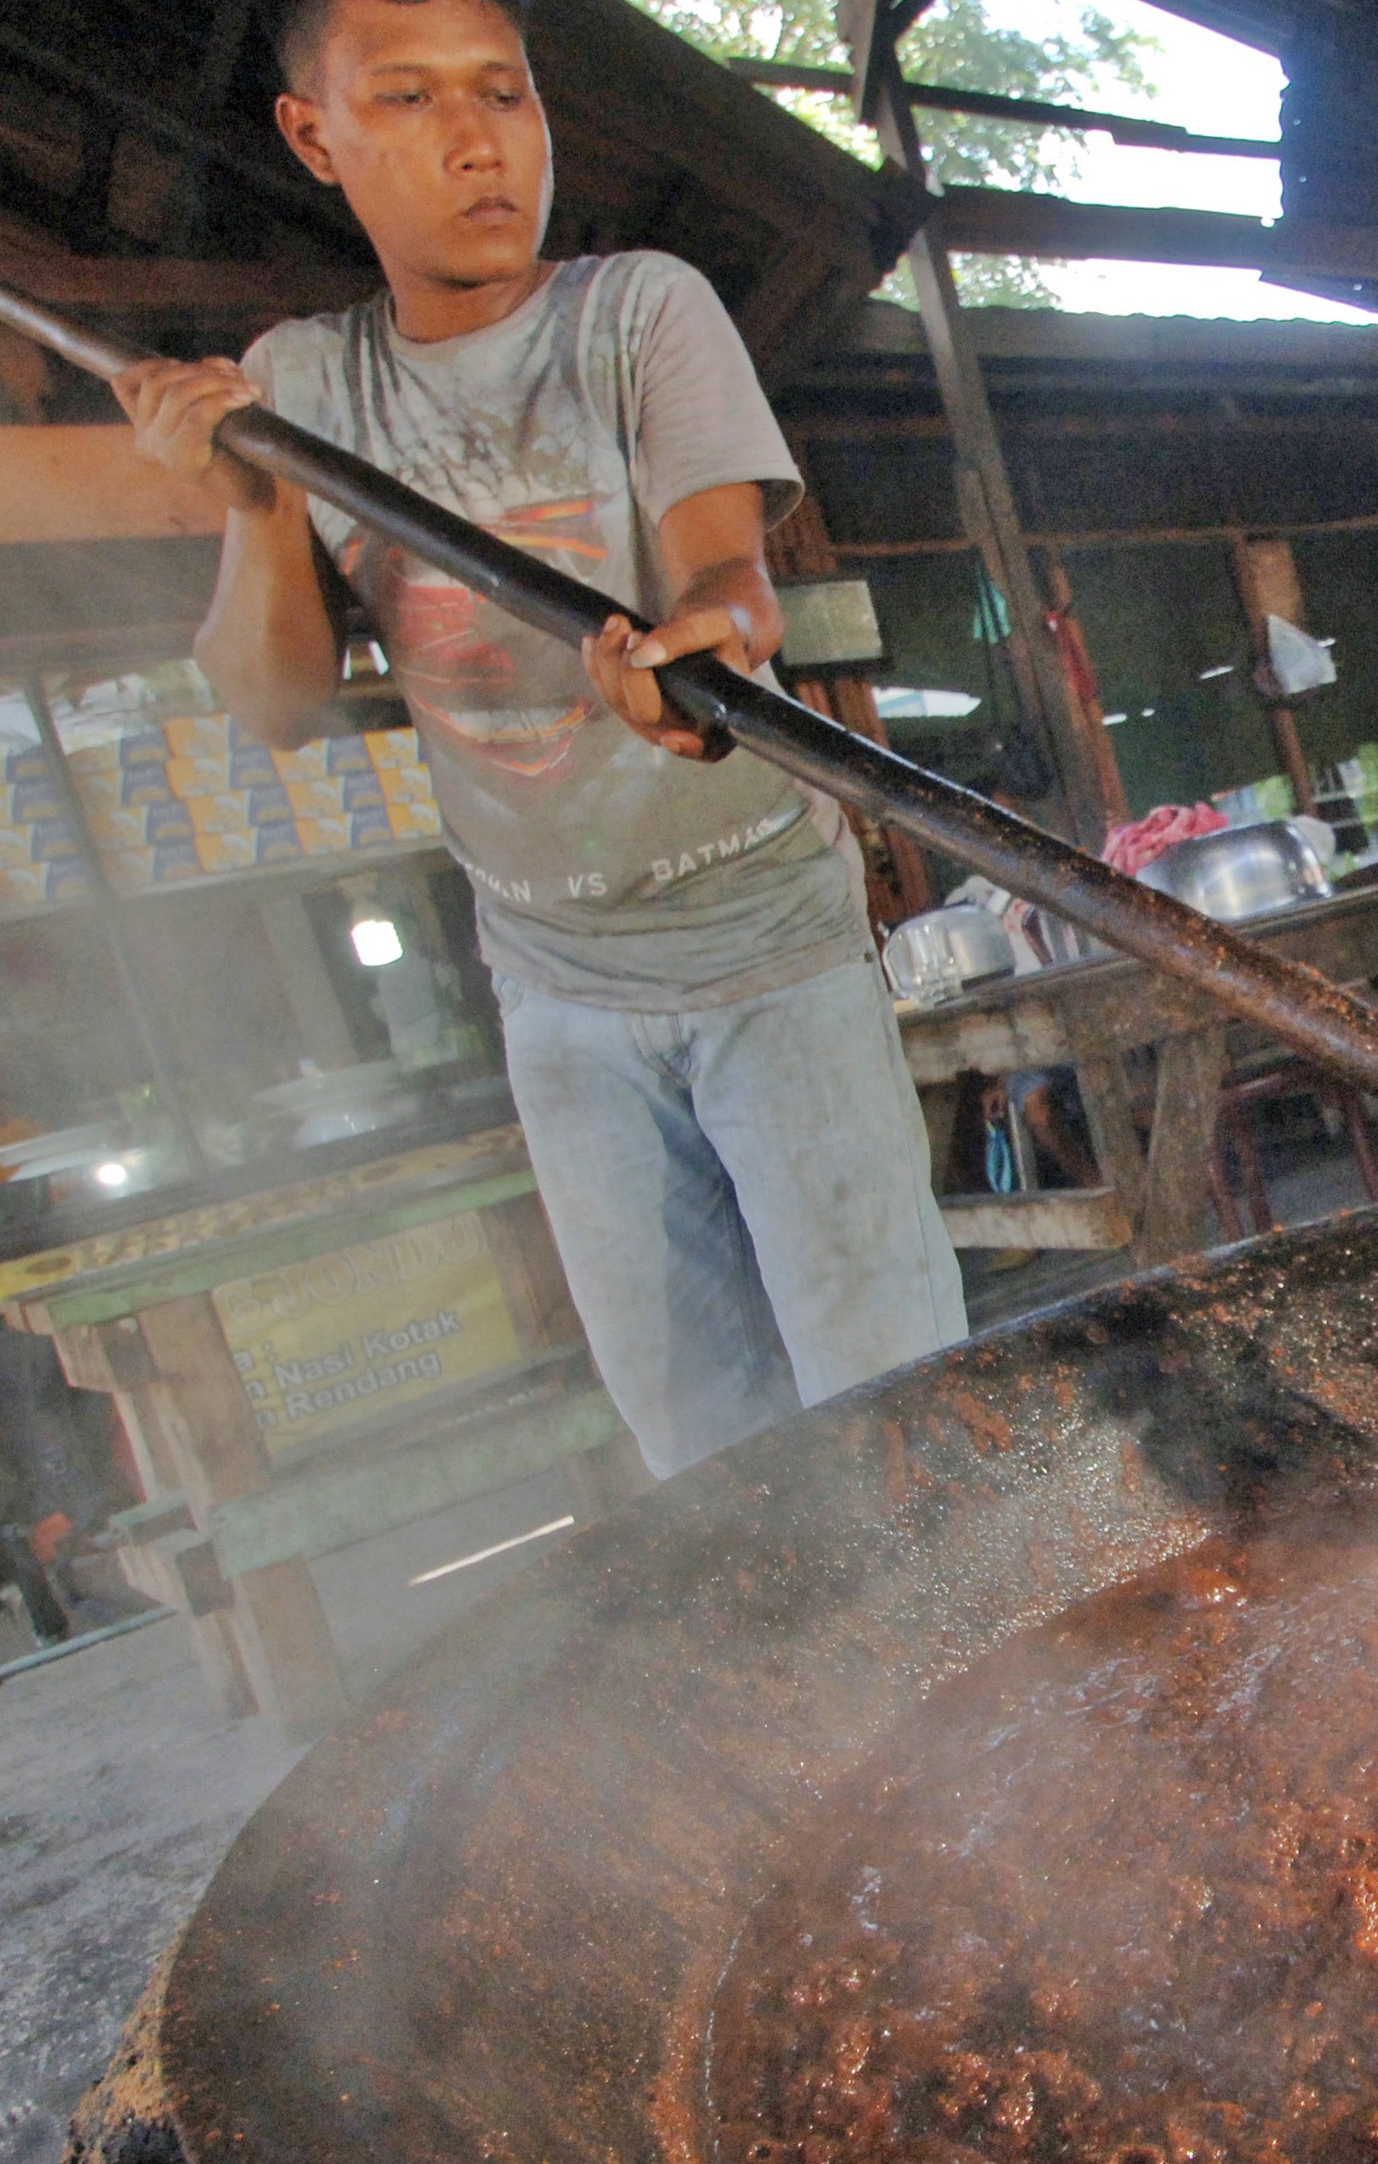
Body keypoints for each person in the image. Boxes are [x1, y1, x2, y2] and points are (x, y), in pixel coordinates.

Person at [110, 0, 964, 1476]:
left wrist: (701, 649)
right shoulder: (300, 386)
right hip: (560, 994)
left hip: (770, 943)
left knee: (895, 1401)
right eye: (409, 99)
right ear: (314, 136)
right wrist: (252, 501)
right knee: (703, 1447)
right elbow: (276, 704)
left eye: (502, 94)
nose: (476, 142)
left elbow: (729, 576)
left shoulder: (637, 312)